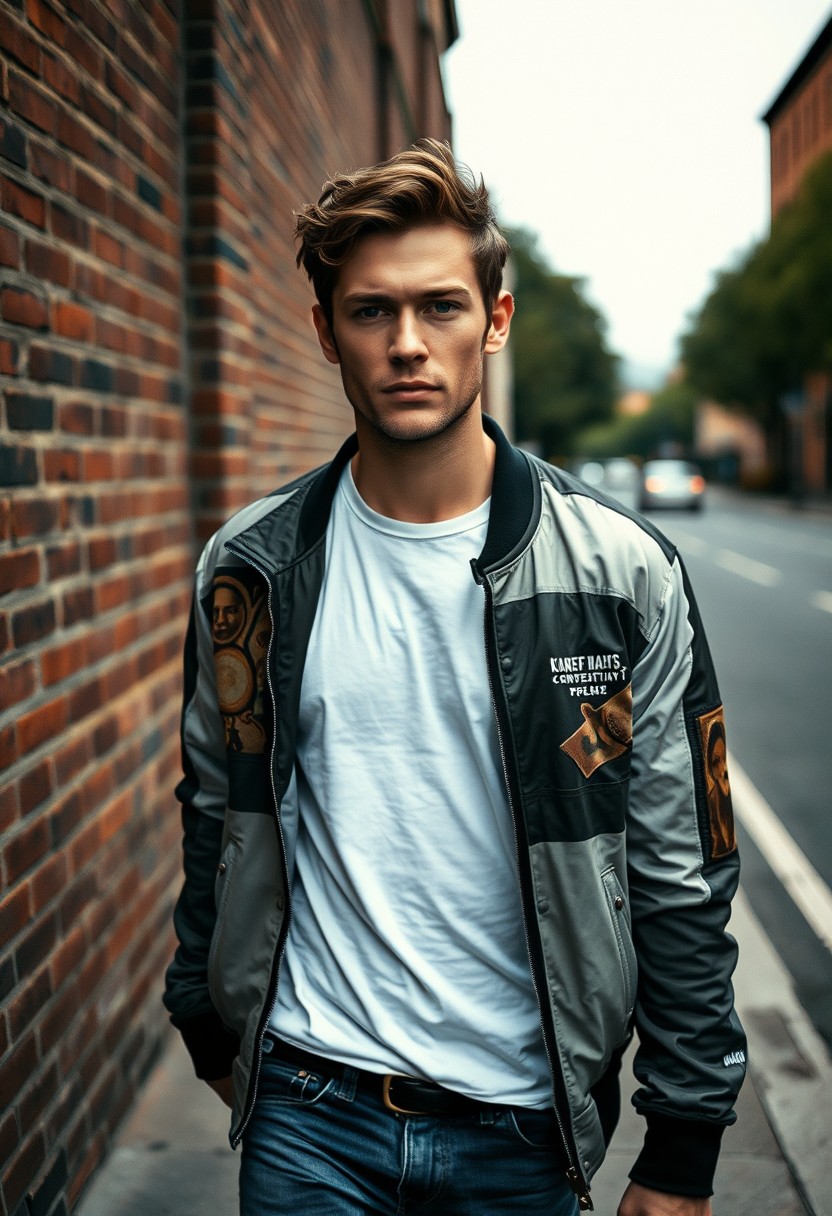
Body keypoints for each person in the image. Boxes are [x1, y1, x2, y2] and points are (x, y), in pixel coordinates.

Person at [163, 139, 746, 1216]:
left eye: (439, 307)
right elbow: (217, 808)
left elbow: (679, 871)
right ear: (325, 333)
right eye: (370, 313)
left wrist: (683, 1145)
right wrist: (204, 1007)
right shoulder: (250, 571)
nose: (407, 345)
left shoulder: (619, 575)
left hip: (523, 1126)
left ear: (497, 319)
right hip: (307, 1108)